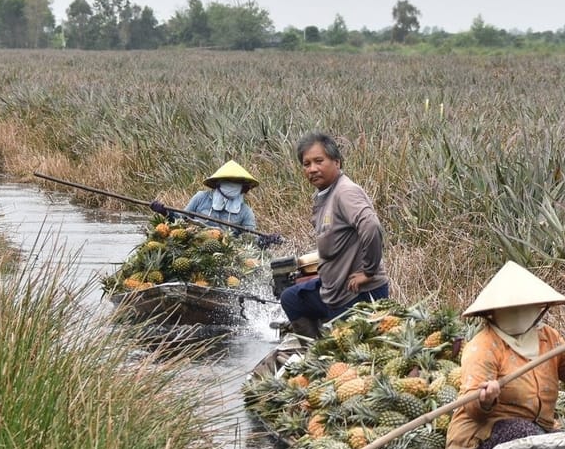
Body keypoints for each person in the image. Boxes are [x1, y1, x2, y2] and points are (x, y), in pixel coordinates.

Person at [445, 261, 565, 449]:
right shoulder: (483, 345)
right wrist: (486, 400)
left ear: (539, 307)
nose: (518, 312)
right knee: (526, 435)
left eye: (525, 306)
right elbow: (473, 410)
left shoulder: (549, 338)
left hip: (540, 437)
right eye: (509, 308)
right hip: (482, 443)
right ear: (492, 312)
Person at [280, 132, 388, 339]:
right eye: (306, 164)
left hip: (357, 295)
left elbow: (371, 226)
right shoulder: (325, 194)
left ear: (336, 162)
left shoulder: (345, 192)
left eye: (319, 161)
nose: (312, 169)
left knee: (348, 353)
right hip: (332, 291)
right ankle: (314, 349)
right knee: (291, 298)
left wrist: (369, 272)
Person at [149, 160, 281, 247]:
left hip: (225, 250)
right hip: (194, 244)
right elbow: (181, 219)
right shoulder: (200, 198)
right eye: (228, 181)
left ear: (243, 188)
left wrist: (265, 240)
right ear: (218, 183)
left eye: (236, 183)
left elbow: (249, 238)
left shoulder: (246, 212)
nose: (232, 185)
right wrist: (164, 211)